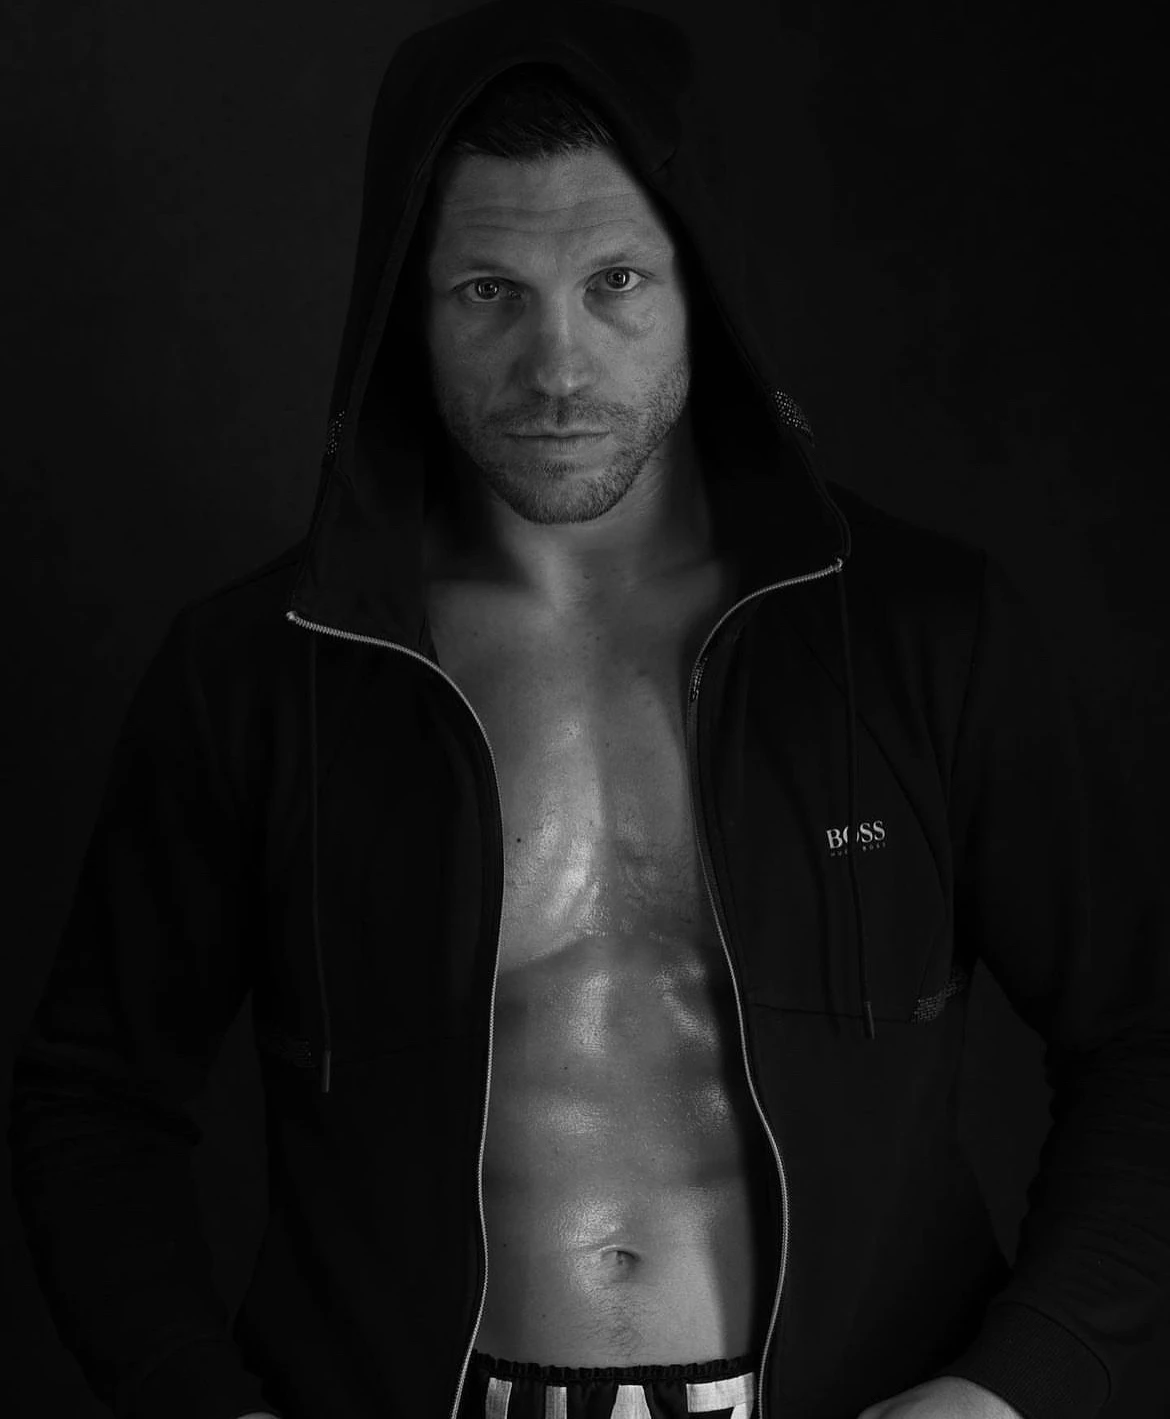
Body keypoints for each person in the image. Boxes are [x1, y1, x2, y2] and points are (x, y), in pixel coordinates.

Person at [8, 3, 1170, 1419]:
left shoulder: (920, 634)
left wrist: (1010, 1389)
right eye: (487, 291)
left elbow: (1139, 1036)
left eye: (614, 280)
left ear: (701, 290)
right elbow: (94, 1098)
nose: (556, 367)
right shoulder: (267, 668)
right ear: (405, 308)